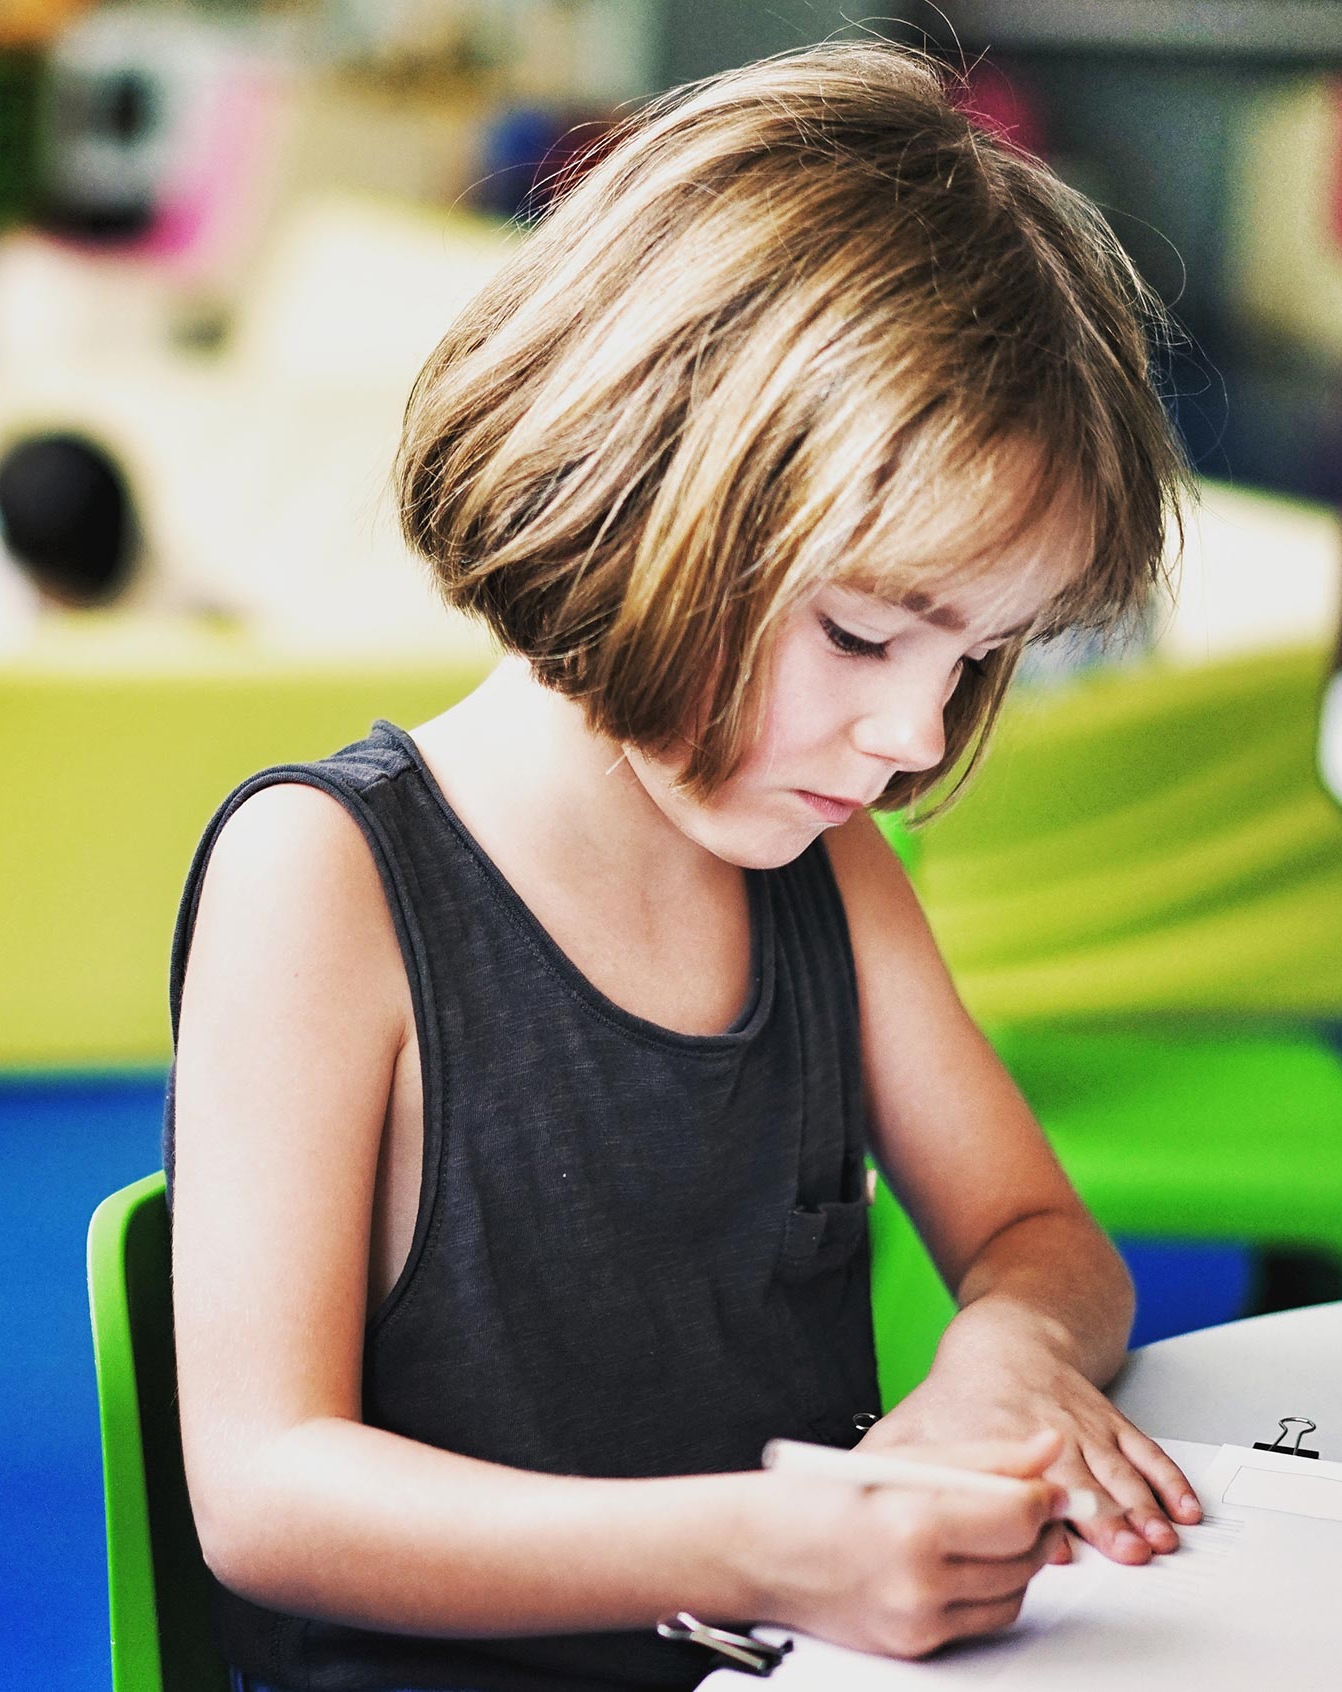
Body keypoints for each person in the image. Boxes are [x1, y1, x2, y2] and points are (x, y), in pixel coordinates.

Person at [163, 43, 1198, 1692]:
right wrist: (765, 1549)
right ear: (638, 496)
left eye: (972, 660)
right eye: (864, 634)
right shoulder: (324, 878)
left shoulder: (825, 869)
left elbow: (1038, 1233)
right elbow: (265, 1495)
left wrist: (1005, 1356)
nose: (913, 737)